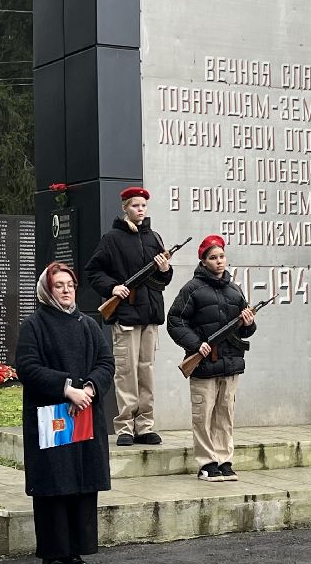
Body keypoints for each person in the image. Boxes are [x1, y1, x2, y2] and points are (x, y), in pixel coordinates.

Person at [16, 262, 114, 564]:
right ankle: (53, 553)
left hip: (85, 410)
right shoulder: (34, 325)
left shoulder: (89, 324)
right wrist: (67, 388)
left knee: (81, 483)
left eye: (70, 285)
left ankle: (76, 551)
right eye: (59, 285)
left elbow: (105, 362)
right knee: (55, 484)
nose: (67, 290)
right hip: (51, 415)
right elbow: (28, 368)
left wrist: (89, 388)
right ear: (47, 289)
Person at [84, 186, 174, 447]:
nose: (140, 210)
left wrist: (165, 269)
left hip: (150, 315)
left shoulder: (154, 238)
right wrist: (112, 287)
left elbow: (162, 280)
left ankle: (145, 426)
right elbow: (94, 271)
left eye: (143, 205)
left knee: (146, 371)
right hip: (125, 314)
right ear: (125, 207)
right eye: (135, 205)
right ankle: (125, 427)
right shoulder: (111, 238)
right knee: (126, 372)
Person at [166, 235, 257, 482]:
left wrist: (249, 324)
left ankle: (225, 460)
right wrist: (197, 344)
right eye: (213, 258)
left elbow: (244, 330)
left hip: (230, 364)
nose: (219, 262)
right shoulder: (192, 289)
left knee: (225, 414)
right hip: (203, 364)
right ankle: (207, 463)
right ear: (204, 262)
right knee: (203, 416)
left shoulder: (234, 290)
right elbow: (175, 321)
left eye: (222, 257)